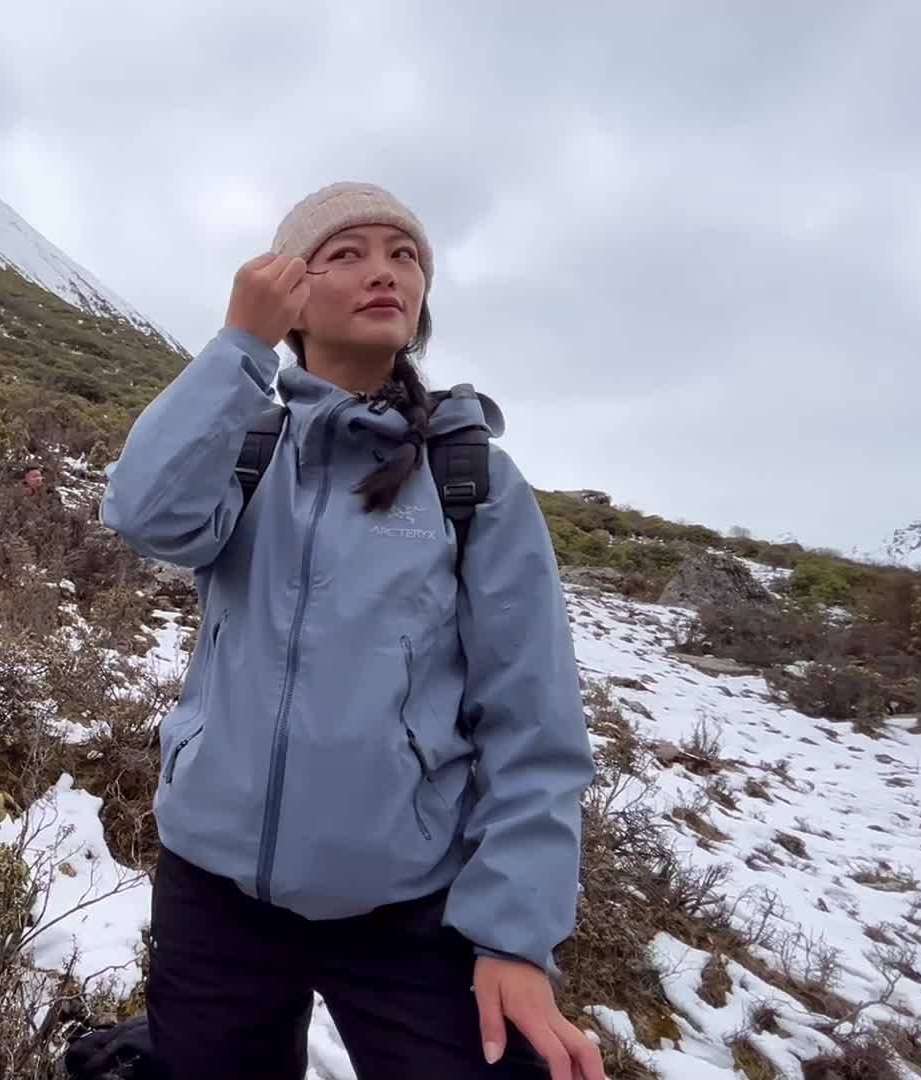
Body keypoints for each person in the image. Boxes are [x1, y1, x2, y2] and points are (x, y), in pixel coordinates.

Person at [98, 183, 602, 1080]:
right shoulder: (246, 449)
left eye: (404, 256)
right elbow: (142, 513)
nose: (384, 271)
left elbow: (534, 722)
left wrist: (516, 939)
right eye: (347, 253)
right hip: (213, 893)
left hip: (410, 909)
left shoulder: (472, 478)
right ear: (293, 291)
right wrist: (239, 345)